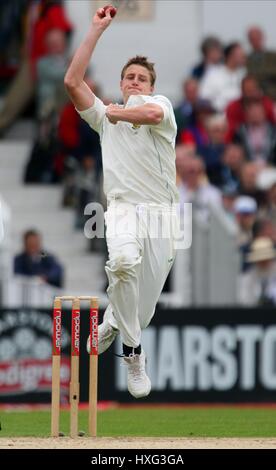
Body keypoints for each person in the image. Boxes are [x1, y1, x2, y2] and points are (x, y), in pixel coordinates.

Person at [64, 5, 179, 399]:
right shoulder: (104, 116)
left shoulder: (160, 108)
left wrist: (118, 111)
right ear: (121, 81)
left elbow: (148, 114)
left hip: (162, 217)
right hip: (122, 210)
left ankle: (115, 319)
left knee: (141, 312)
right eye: (129, 77)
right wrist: (95, 30)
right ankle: (133, 352)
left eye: (141, 78)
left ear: (151, 85)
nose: (134, 82)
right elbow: (72, 81)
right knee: (123, 263)